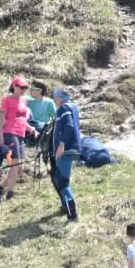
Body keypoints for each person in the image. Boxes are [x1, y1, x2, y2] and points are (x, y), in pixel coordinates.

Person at [0, 75, 32, 199]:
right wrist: (0, 136)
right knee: (15, 164)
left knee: (20, 167)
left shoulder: (24, 100)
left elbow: (22, 119)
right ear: (14, 86)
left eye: (25, 87)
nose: (23, 90)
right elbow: (1, 118)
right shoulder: (7, 100)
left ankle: (0, 187)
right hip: (10, 132)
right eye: (21, 87)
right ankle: (10, 193)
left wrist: (31, 129)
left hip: (21, 133)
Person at [49, 86, 83, 222]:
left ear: (60, 97)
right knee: (60, 179)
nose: (54, 99)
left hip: (66, 150)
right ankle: (66, 207)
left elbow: (69, 126)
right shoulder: (72, 107)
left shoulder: (64, 109)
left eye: (55, 97)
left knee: (63, 183)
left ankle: (72, 214)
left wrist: (61, 144)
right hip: (73, 149)